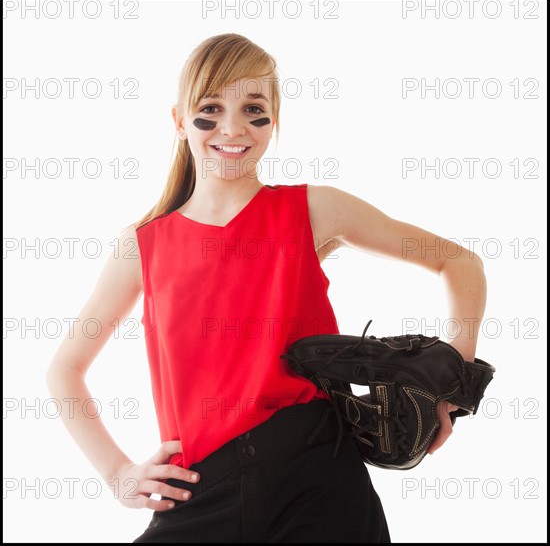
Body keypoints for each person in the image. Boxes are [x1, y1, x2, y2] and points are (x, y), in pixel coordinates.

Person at [47, 33, 487, 543]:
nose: (232, 128)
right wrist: (120, 475)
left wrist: (449, 383)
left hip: (319, 477)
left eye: (252, 107)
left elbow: (459, 263)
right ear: (179, 120)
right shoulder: (142, 246)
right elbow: (65, 370)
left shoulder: (314, 209)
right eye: (210, 107)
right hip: (201, 487)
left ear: (274, 119)